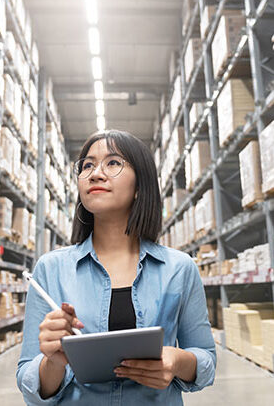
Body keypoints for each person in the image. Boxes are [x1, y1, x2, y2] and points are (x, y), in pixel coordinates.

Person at [16, 129, 216, 405]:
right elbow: (30, 384)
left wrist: (177, 361)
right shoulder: (51, 269)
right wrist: (54, 361)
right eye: (87, 165)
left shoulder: (179, 269)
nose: (96, 173)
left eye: (113, 162)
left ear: (140, 186)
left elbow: (206, 360)